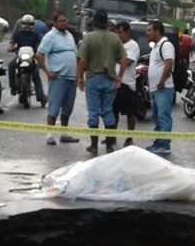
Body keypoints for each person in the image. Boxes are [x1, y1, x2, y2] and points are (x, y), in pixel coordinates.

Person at [75, 9, 126, 154]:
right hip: (110, 79)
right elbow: (123, 59)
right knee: (108, 111)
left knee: (93, 112)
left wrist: (79, 77)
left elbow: (83, 60)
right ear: (106, 22)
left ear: (94, 22)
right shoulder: (115, 38)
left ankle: (94, 145)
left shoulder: (89, 38)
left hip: (93, 78)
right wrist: (119, 76)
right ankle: (109, 145)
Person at [36, 11, 80, 145]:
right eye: (61, 21)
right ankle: (49, 134)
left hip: (71, 78)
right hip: (58, 77)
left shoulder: (70, 36)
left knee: (68, 108)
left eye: (65, 21)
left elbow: (76, 56)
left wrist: (78, 75)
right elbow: (39, 55)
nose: (64, 23)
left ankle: (64, 133)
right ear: (55, 23)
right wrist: (48, 72)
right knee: (54, 107)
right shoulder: (50, 36)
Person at [144, 19, 175, 156]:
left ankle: (164, 144)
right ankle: (158, 141)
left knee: (163, 116)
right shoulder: (156, 46)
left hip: (163, 88)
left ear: (157, 31)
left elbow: (169, 64)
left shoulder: (166, 45)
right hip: (155, 89)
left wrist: (162, 81)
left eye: (149, 30)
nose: (147, 33)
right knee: (156, 117)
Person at [6, 14, 44, 105]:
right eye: (25, 23)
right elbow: (11, 43)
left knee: (35, 73)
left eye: (29, 24)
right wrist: (11, 48)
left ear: (33, 24)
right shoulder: (17, 34)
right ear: (22, 24)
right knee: (11, 66)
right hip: (20, 56)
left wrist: (40, 50)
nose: (27, 26)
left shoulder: (36, 35)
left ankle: (41, 96)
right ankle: (13, 86)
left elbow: (40, 45)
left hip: (32, 57)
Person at [113, 20, 140, 147]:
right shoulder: (115, 44)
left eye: (121, 32)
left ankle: (129, 137)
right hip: (114, 83)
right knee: (113, 112)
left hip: (127, 83)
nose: (118, 35)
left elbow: (127, 61)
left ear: (127, 33)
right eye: (116, 32)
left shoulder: (132, 45)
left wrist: (115, 58)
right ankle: (111, 136)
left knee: (130, 113)